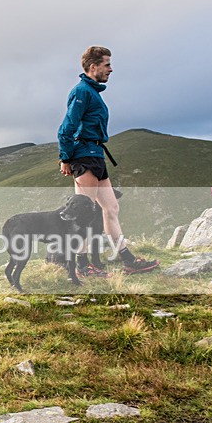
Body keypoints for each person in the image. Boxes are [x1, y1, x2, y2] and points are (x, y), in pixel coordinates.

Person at [57, 46, 159, 276]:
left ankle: (128, 260)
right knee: (84, 214)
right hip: (84, 156)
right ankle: (82, 266)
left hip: (96, 156)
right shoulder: (82, 92)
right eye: (106, 65)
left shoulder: (92, 92)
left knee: (111, 208)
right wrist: (65, 158)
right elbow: (66, 128)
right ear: (93, 67)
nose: (111, 69)